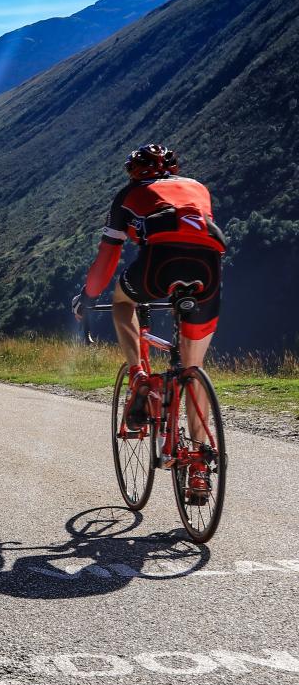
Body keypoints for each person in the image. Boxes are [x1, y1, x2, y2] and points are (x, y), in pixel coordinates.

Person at [72, 143, 225, 502]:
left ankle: (139, 375)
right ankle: (200, 469)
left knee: (123, 303)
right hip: (208, 270)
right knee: (193, 367)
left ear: (133, 172)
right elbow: (195, 236)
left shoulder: (128, 195)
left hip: (157, 266)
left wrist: (89, 297)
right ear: (174, 168)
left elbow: (108, 257)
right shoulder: (199, 188)